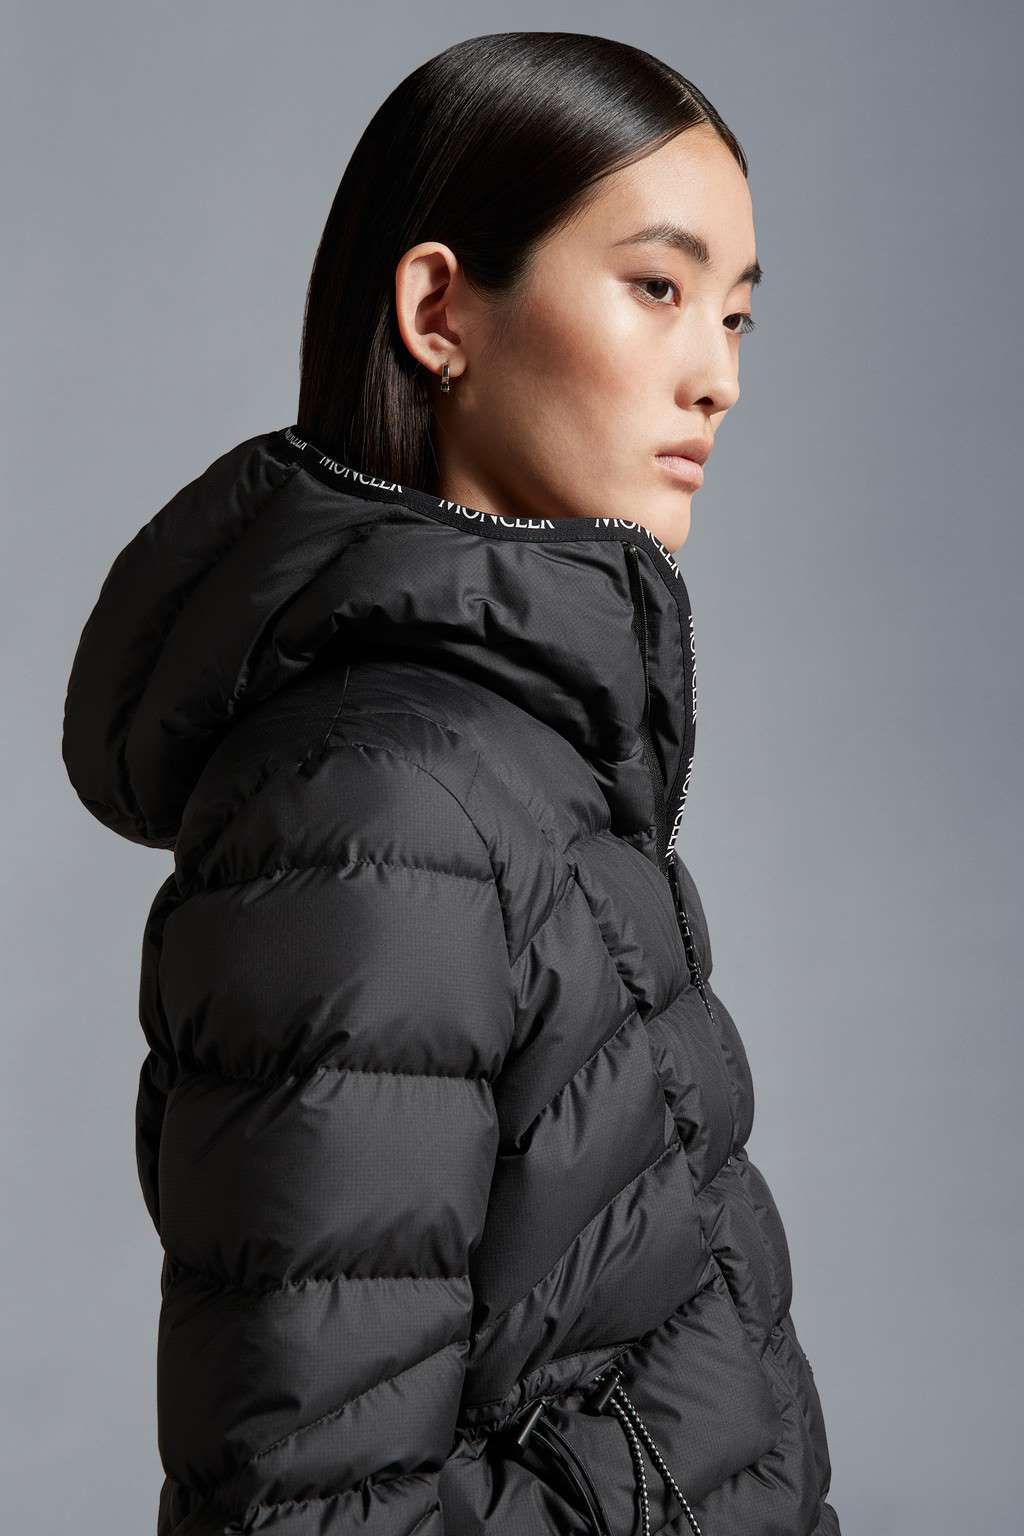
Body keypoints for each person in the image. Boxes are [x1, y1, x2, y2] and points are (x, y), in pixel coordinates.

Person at [61, 30, 841, 1536]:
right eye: (658, 288)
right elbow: (307, 1507)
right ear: (439, 312)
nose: (720, 378)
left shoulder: (527, 755)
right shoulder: (372, 803)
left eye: (738, 314)